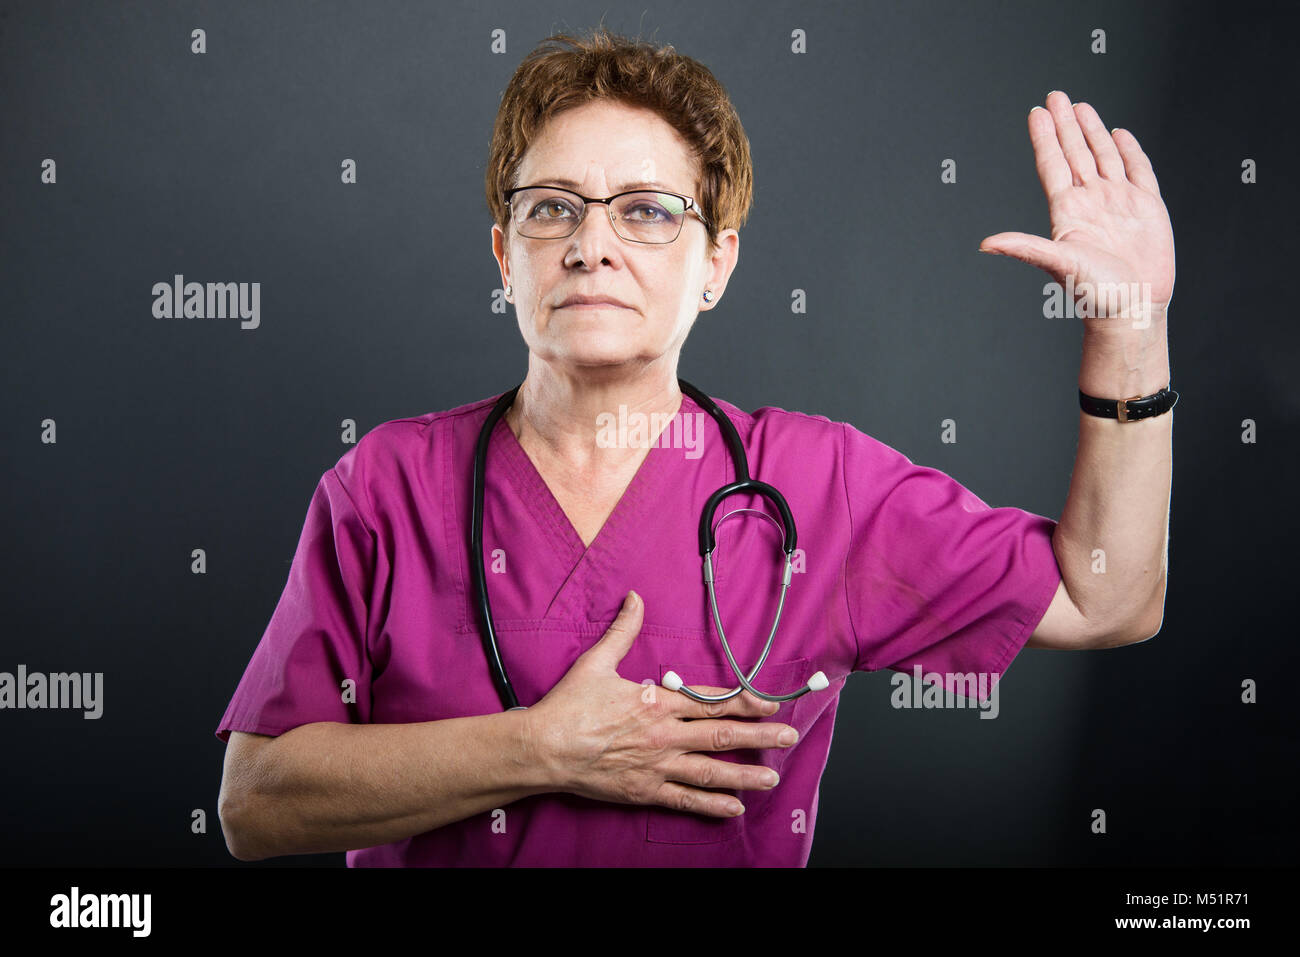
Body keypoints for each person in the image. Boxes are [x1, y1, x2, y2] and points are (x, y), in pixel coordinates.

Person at [215, 28, 1174, 866]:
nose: (592, 244)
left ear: (716, 262)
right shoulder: (384, 486)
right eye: (552, 206)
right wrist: (540, 748)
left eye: (646, 210)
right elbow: (254, 802)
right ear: (505, 251)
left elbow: (1108, 595)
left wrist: (1129, 332)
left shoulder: (815, 486)